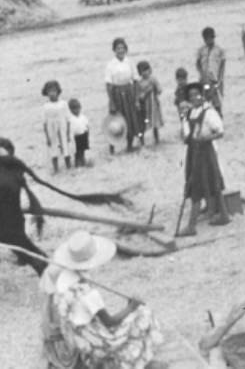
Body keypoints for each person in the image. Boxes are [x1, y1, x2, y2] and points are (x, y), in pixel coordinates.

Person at [40, 230, 164, 369]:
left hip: (75, 333)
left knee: (136, 315)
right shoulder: (88, 293)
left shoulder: (63, 280)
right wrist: (131, 307)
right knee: (144, 315)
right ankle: (139, 362)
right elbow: (110, 322)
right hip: (93, 339)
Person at [178, 82, 230, 237]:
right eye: (191, 96)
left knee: (207, 183)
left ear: (202, 95)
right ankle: (219, 214)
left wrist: (207, 137)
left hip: (206, 151)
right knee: (198, 183)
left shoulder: (209, 112)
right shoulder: (191, 113)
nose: (194, 98)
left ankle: (192, 225)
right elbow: (185, 137)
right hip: (194, 152)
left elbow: (220, 132)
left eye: (197, 94)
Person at [105, 37, 139, 153]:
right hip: (117, 93)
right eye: (118, 48)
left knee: (130, 118)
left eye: (123, 48)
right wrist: (111, 101)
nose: (121, 50)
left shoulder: (130, 62)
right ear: (114, 50)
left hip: (128, 92)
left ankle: (129, 145)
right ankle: (112, 146)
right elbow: (109, 84)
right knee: (116, 120)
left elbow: (135, 80)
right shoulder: (111, 65)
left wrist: (136, 97)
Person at [195, 27, 225, 116]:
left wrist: (220, 77)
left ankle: (220, 120)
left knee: (217, 102)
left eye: (210, 38)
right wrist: (202, 74)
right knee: (205, 102)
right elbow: (198, 64)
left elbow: (222, 64)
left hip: (216, 80)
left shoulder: (219, 50)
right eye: (207, 39)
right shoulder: (201, 50)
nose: (209, 41)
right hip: (205, 80)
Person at [43, 80, 71, 173]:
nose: (52, 93)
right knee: (53, 147)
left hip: (62, 127)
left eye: (54, 91)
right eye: (49, 91)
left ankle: (68, 166)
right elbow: (44, 122)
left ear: (58, 91)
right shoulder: (46, 106)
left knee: (65, 146)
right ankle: (56, 168)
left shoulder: (63, 103)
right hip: (51, 128)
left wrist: (68, 133)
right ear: (46, 93)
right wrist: (47, 137)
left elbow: (68, 119)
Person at [135, 61, 163, 146]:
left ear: (150, 70)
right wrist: (147, 91)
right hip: (145, 106)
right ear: (139, 72)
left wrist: (155, 86)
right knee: (143, 124)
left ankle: (157, 139)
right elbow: (139, 96)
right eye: (142, 71)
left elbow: (160, 90)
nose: (145, 72)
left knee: (155, 123)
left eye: (147, 70)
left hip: (154, 104)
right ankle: (142, 140)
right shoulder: (139, 83)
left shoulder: (153, 79)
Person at [68, 99, 90, 167]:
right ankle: (77, 164)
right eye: (74, 109)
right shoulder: (70, 118)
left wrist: (87, 134)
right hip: (75, 138)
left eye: (78, 108)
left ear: (80, 108)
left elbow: (86, 126)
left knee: (82, 151)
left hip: (83, 136)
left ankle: (83, 163)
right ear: (70, 110)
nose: (76, 110)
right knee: (76, 152)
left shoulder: (82, 117)